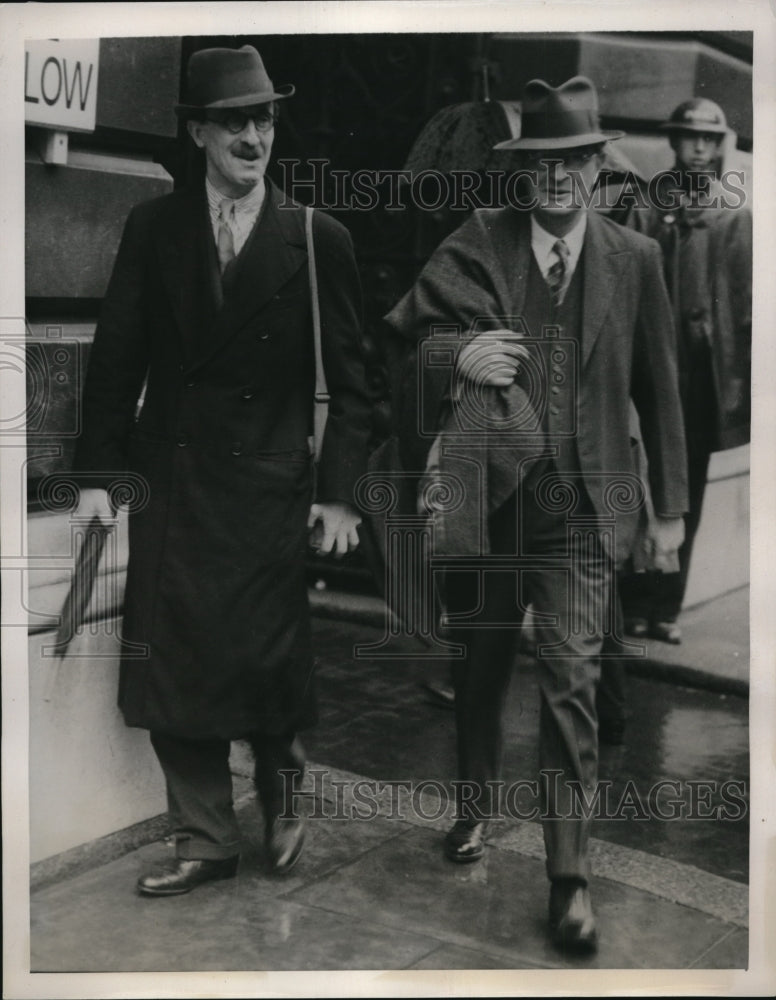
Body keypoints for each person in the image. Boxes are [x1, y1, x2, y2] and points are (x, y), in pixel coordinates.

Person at [384, 76, 688, 952]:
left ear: (597, 166)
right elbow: (405, 342)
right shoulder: (482, 238)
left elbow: (660, 386)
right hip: (489, 499)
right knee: (480, 667)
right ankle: (474, 804)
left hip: (581, 511)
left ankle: (569, 877)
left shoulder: (636, 258)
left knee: (571, 683)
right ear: (522, 170)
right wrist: (459, 355)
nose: (557, 176)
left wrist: (668, 510)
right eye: (542, 162)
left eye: (574, 160)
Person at [72, 45, 371, 896]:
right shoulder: (153, 228)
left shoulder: (316, 239)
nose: (253, 136)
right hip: (173, 482)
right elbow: (116, 358)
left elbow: (358, 386)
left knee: (265, 661)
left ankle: (283, 791)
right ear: (199, 133)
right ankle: (205, 837)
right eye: (235, 121)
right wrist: (97, 475)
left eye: (264, 119)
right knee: (173, 664)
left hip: (266, 488)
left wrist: (342, 495)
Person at [619, 97, 752, 644]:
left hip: (701, 376)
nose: (700, 148)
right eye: (690, 137)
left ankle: (665, 607)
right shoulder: (647, 204)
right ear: (673, 141)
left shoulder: (732, 212)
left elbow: (745, 303)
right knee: (642, 482)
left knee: (688, 489)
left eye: (709, 139)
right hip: (652, 370)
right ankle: (632, 602)